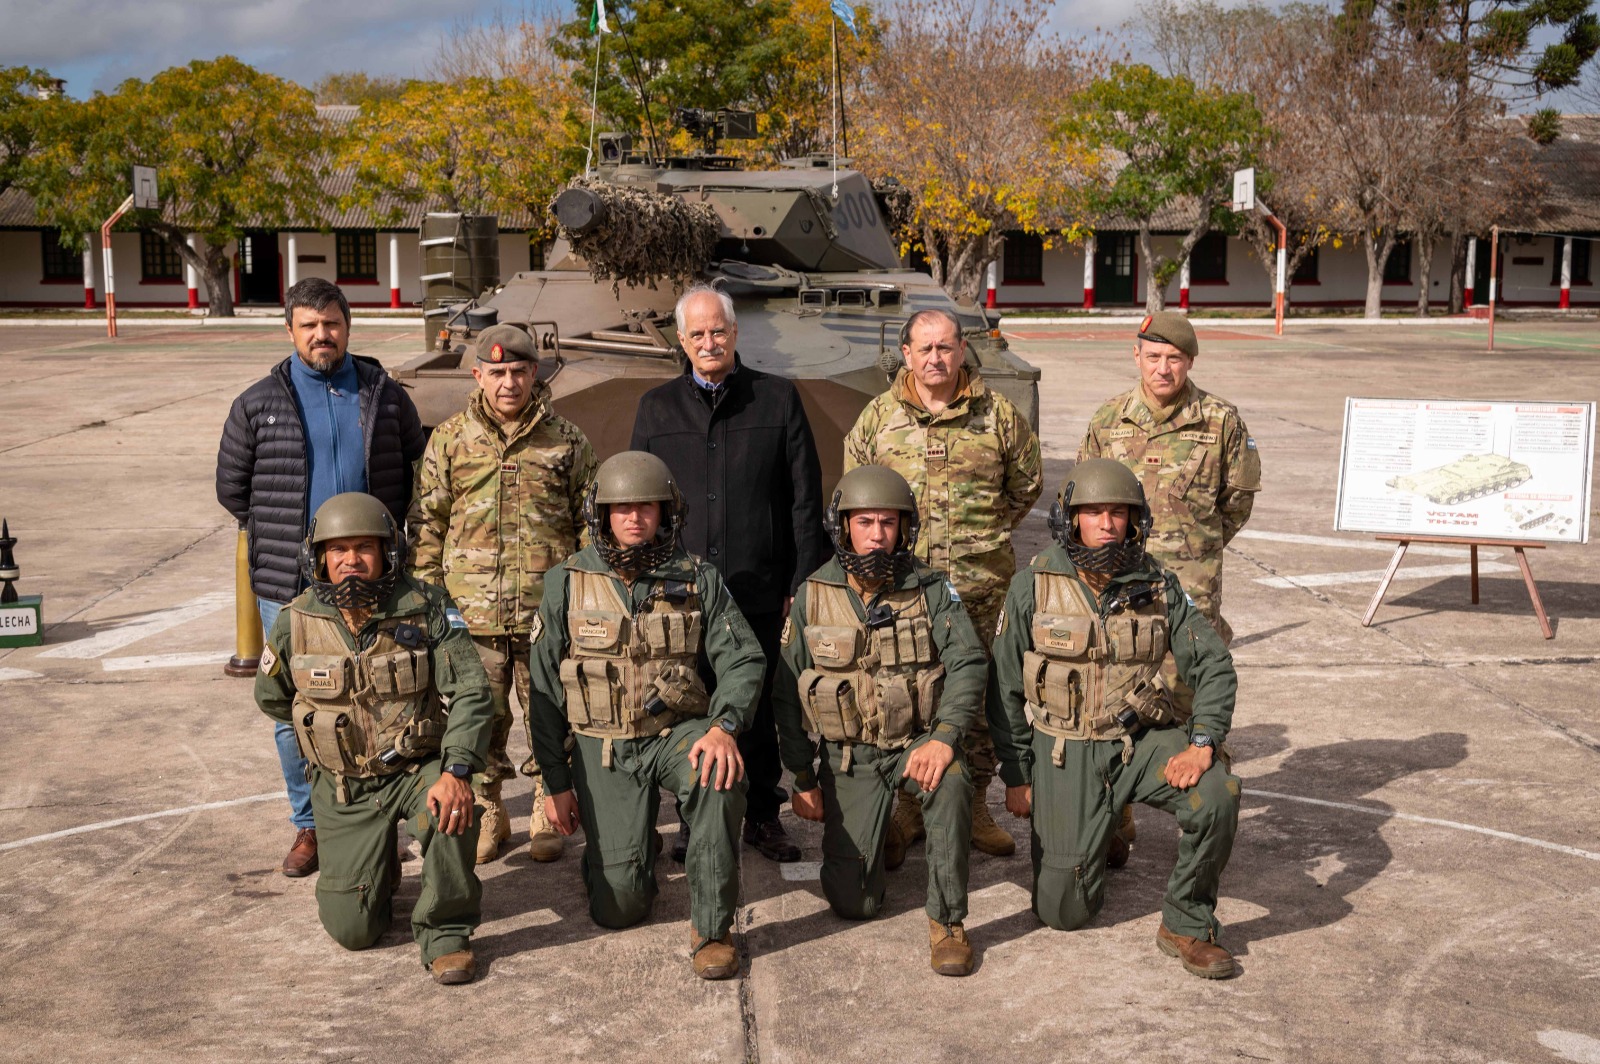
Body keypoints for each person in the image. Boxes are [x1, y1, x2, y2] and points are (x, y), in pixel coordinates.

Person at [987, 459, 1242, 979]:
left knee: (1216, 793)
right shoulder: (1032, 586)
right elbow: (1004, 688)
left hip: (1137, 742)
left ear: (1135, 519)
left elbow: (1214, 664)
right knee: (1063, 912)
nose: (1107, 522)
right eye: (1094, 512)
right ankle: (1101, 828)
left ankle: (1187, 924)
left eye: (1119, 512)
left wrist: (1202, 742)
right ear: (1070, 518)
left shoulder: (1158, 584)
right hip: (1065, 749)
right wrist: (1016, 775)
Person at [525, 452, 766, 979]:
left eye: (647, 507)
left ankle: (712, 930)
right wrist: (556, 781)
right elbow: (542, 689)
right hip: (601, 745)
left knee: (718, 776)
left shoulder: (697, 576)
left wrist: (725, 727)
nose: (635, 518)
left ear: (667, 512)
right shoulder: (566, 581)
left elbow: (744, 657)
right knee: (620, 908)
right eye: (622, 508)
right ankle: (631, 845)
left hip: (673, 733)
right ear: (602, 514)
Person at [218, 277, 426, 878]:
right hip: (290, 584)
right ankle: (310, 826)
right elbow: (232, 488)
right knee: (295, 711)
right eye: (308, 325)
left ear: (348, 326)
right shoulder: (257, 404)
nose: (321, 335)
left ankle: (385, 813)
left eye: (330, 323)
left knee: (387, 696)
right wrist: (287, 536)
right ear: (290, 331)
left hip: (377, 580)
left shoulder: (385, 396)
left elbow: (413, 465)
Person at [255, 493, 494, 985]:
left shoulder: (427, 606)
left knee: (452, 810)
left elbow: (471, 690)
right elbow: (273, 697)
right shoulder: (295, 621)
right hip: (344, 785)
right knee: (353, 930)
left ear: (388, 551)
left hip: (414, 768)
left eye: (364, 547)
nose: (350, 560)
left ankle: (446, 933)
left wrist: (455, 771)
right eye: (337, 549)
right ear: (319, 557)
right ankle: (376, 866)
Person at [630, 284, 826, 864]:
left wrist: (803, 582)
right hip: (681, 594)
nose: (709, 342)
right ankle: (698, 815)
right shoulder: (655, 407)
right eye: (697, 334)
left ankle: (763, 814)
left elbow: (805, 500)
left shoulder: (777, 399)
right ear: (682, 342)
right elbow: (640, 503)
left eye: (718, 331)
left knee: (760, 704)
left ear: (735, 333)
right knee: (691, 703)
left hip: (759, 586)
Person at [842, 307, 1042, 862]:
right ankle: (909, 807)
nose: (935, 358)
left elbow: (1026, 485)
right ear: (906, 354)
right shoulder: (877, 420)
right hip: (903, 590)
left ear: (961, 352)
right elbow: (855, 492)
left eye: (946, 347)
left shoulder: (997, 415)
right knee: (906, 691)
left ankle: (975, 802)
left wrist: (979, 538)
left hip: (981, 587)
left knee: (979, 698)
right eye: (924, 348)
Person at [773, 465, 987, 976]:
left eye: (887, 523)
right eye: (864, 522)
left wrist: (946, 737)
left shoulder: (932, 589)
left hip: (918, 746)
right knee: (853, 903)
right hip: (851, 756)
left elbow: (969, 663)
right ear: (843, 525)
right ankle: (884, 832)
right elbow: (786, 692)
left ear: (903, 527)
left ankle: (948, 921)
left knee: (954, 784)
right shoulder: (812, 594)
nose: (876, 535)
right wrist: (802, 777)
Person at [409, 322, 597, 865]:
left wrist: (581, 596)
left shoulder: (566, 440)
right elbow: (427, 526)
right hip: (473, 614)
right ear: (478, 375)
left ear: (534, 373)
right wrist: (430, 604)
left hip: (546, 613)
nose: (509, 383)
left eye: (518, 371)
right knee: (482, 720)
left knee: (550, 712)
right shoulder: (449, 440)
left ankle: (546, 806)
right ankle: (491, 810)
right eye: (497, 373)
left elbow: (590, 525)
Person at [1077, 310, 1261, 645]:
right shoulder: (1108, 420)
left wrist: (1195, 545)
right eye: (1153, 357)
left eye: (1174, 358)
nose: (1163, 369)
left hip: (1193, 588)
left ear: (1191, 361)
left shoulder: (1221, 421)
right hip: (1121, 581)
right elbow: (1082, 501)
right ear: (1137, 357)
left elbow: (1237, 503)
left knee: (1193, 686)